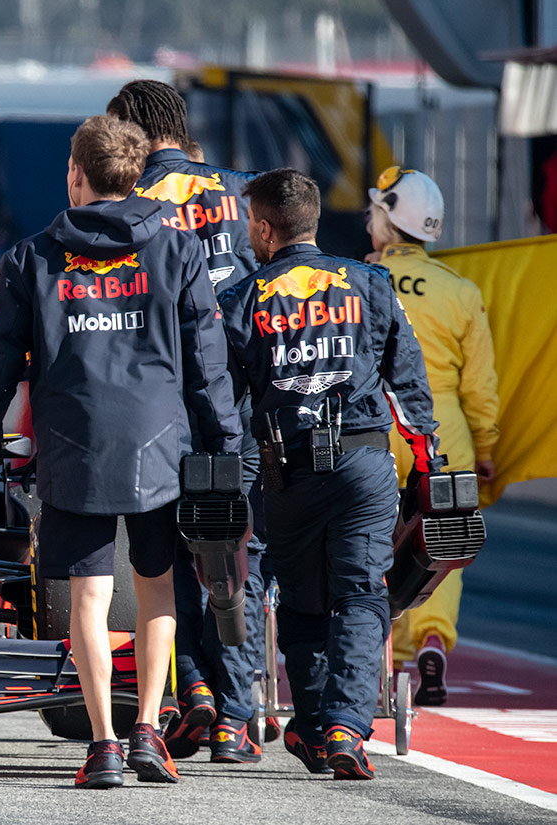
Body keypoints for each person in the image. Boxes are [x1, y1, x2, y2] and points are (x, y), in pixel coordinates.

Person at [0, 115, 242, 789]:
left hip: (72, 444)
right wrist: (226, 446)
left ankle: (105, 745)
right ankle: (149, 727)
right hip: (158, 443)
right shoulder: (178, 251)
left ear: (77, 175)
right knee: (156, 586)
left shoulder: (32, 257)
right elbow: (209, 365)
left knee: (88, 594)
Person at [217, 168, 443, 780]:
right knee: (362, 589)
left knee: (303, 602)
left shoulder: (241, 299)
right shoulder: (371, 282)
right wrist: (430, 465)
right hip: (365, 462)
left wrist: (220, 475)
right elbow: (409, 387)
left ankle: (319, 725)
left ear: (264, 229)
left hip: (286, 471)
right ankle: (342, 727)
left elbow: (220, 405)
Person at [109, 78, 268, 763]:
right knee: (236, 553)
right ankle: (234, 718)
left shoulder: (130, 204)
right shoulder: (246, 193)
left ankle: (194, 688)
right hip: (238, 402)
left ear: (132, 132)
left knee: (165, 555)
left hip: (161, 400)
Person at [366, 166, 499, 706]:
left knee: (373, 542)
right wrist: (486, 449)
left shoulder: (357, 279)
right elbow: (480, 385)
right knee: (441, 547)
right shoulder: (461, 292)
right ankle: (433, 642)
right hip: (444, 433)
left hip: (376, 425)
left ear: (388, 219)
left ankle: (385, 656)